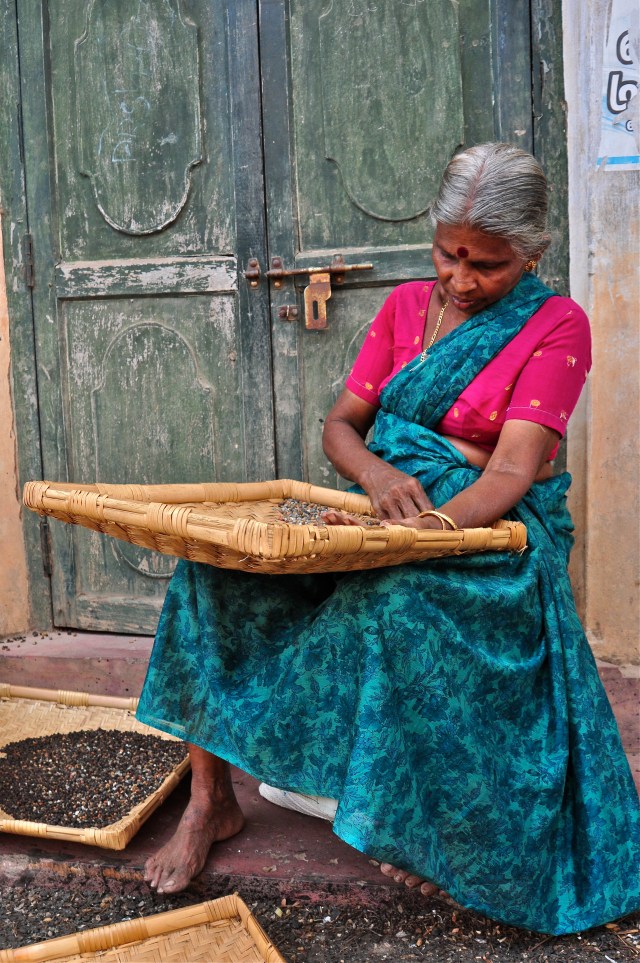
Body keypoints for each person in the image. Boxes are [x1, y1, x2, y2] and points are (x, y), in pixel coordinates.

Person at [136, 143, 640, 935]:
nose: (462, 280)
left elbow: (510, 472)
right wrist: (376, 480)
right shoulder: (407, 307)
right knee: (212, 568)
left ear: (534, 254)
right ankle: (210, 803)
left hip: (490, 542)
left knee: (394, 602)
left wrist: (427, 529)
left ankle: (404, 818)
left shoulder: (556, 325)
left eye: (490, 265)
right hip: (370, 512)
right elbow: (341, 427)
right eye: (450, 254)